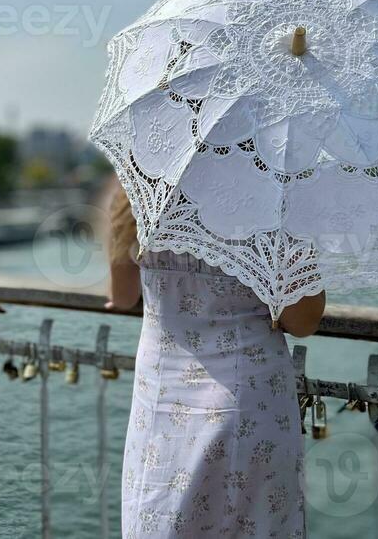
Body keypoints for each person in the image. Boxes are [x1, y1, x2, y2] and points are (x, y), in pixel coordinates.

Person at [105, 180, 325, 537]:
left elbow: (124, 294)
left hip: (162, 400)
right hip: (250, 398)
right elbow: (302, 320)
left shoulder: (142, 186)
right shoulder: (271, 196)